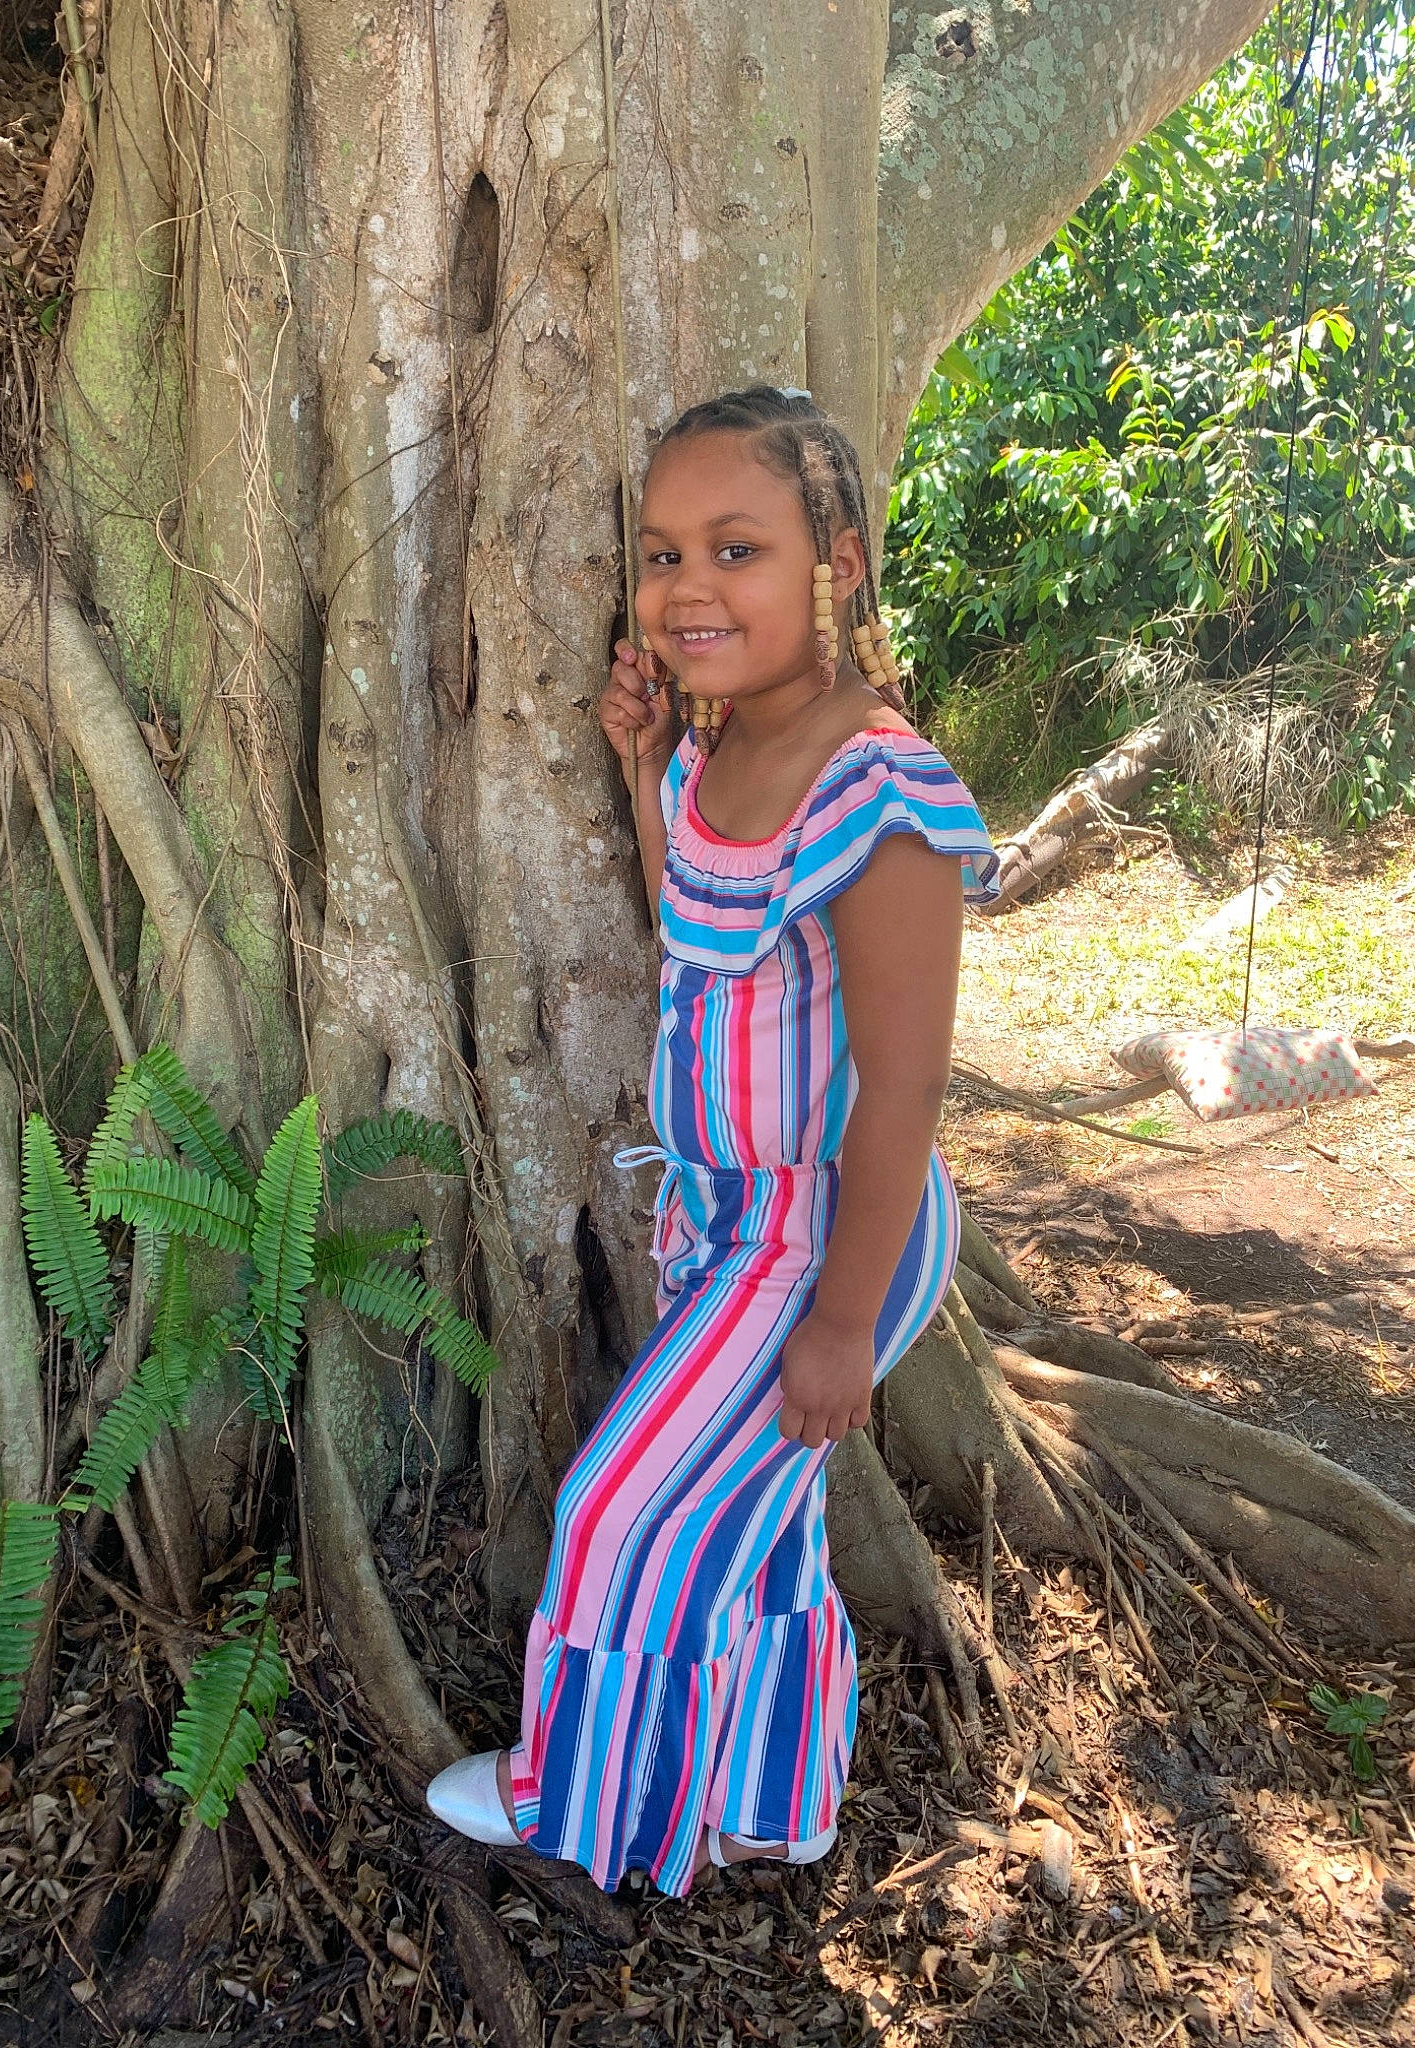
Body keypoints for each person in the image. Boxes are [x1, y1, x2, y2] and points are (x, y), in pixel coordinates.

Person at [427, 386, 998, 1895]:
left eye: (736, 549)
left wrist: (842, 1320)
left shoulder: (881, 795)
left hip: (826, 1234)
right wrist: (639, 766)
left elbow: (898, 1094)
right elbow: (699, 921)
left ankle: (585, 1800)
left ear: (840, 565)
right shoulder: (718, 746)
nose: (688, 588)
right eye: (664, 553)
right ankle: (778, 1798)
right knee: (765, 1526)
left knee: (623, 1508)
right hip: (727, 1222)